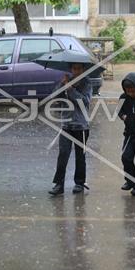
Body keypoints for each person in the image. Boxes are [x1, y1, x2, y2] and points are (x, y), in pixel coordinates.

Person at [49, 63, 93, 196]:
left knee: (80, 156)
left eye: (79, 68)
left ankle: (79, 183)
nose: (76, 71)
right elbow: (55, 97)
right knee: (63, 155)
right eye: (74, 68)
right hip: (66, 125)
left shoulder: (87, 84)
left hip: (81, 126)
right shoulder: (66, 80)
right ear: (71, 69)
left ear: (83, 69)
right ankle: (59, 184)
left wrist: (71, 89)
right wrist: (62, 85)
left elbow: (84, 102)